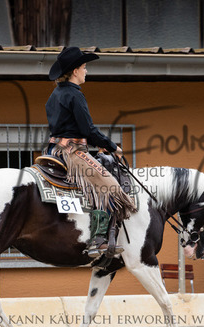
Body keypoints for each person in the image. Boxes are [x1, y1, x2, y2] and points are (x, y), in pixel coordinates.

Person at [46, 46, 137, 257]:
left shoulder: (54, 95)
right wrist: (113, 147)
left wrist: (98, 143)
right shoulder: (75, 95)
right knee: (109, 186)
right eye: (84, 67)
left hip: (53, 150)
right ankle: (98, 239)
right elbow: (88, 129)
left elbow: (71, 128)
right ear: (75, 71)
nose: (86, 71)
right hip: (72, 152)